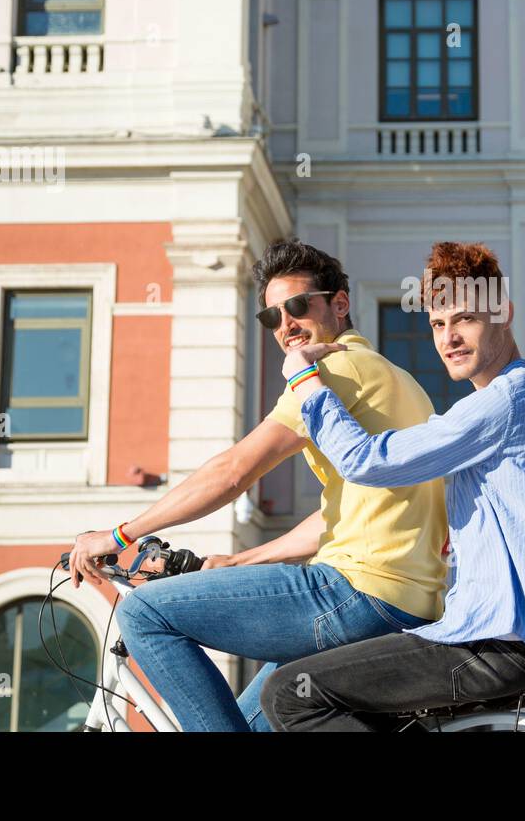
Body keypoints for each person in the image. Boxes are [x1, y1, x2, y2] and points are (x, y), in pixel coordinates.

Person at [65, 238, 449, 731]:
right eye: (272, 317)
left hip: (353, 592)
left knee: (144, 614)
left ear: (340, 303)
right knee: (251, 720)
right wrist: (242, 560)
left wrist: (120, 535)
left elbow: (234, 472)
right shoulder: (401, 380)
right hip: (401, 603)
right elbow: (339, 516)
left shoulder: (332, 370)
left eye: (297, 307)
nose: (285, 325)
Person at [260, 241, 525, 731]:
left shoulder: (502, 403)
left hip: (496, 643)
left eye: (465, 320)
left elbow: (364, 461)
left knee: (291, 693)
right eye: (438, 325)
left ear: (503, 313)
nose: (449, 339)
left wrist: (306, 380)